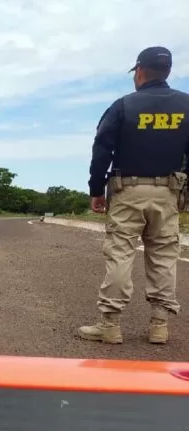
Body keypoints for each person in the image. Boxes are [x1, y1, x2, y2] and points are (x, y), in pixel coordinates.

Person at [79, 46, 189, 345]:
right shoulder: (186, 105)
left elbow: (102, 149)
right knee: (164, 257)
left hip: (127, 191)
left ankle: (110, 325)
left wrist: (95, 190)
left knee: (120, 254)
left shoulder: (123, 106)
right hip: (168, 192)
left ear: (139, 72)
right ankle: (159, 326)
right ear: (167, 72)